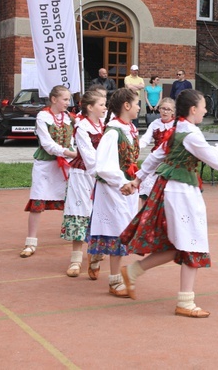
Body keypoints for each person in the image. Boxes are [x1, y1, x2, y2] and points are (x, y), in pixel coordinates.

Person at [119, 89, 218, 317]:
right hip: (181, 192)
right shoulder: (190, 133)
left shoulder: (178, 129)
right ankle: (185, 301)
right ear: (193, 109)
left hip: (172, 189)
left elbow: (156, 156)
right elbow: (215, 160)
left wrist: (138, 179)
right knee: (193, 241)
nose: (206, 110)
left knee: (177, 243)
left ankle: (135, 271)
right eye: (204, 106)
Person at [88, 87, 141, 297]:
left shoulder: (129, 129)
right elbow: (102, 165)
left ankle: (96, 259)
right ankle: (114, 280)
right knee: (116, 232)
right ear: (126, 106)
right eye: (136, 103)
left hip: (126, 189)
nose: (139, 107)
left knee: (121, 230)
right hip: (113, 190)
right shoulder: (112, 132)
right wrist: (122, 181)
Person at [20, 85, 76, 258]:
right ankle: (31, 242)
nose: (68, 103)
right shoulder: (43, 116)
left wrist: (73, 154)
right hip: (45, 165)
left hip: (65, 165)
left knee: (74, 201)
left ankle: (80, 237)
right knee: (37, 200)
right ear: (54, 99)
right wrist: (67, 152)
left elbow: (73, 140)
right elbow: (47, 144)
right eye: (65, 99)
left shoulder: (69, 118)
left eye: (68, 99)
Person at [61, 91, 106, 278]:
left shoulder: (104, 125)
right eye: (102, 104)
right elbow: (89, 157)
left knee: (99, 214)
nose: (105, 107)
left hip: (100, 175)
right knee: (81, 213)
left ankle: (94, 258)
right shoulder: (82, 127)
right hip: (83, 175)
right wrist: (105, 173)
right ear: (90, 107)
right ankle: (75, 260)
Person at [138, 98, 176, 199]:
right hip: (155, 158)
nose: (165, 111)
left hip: (170, 160)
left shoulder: (176, 125)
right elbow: (145, 139)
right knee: (146, 190)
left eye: (168, 109)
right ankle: (145, 213)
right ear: (159, 109)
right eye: (163, 108)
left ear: (173, 111)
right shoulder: (155, 123)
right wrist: (137, 148)